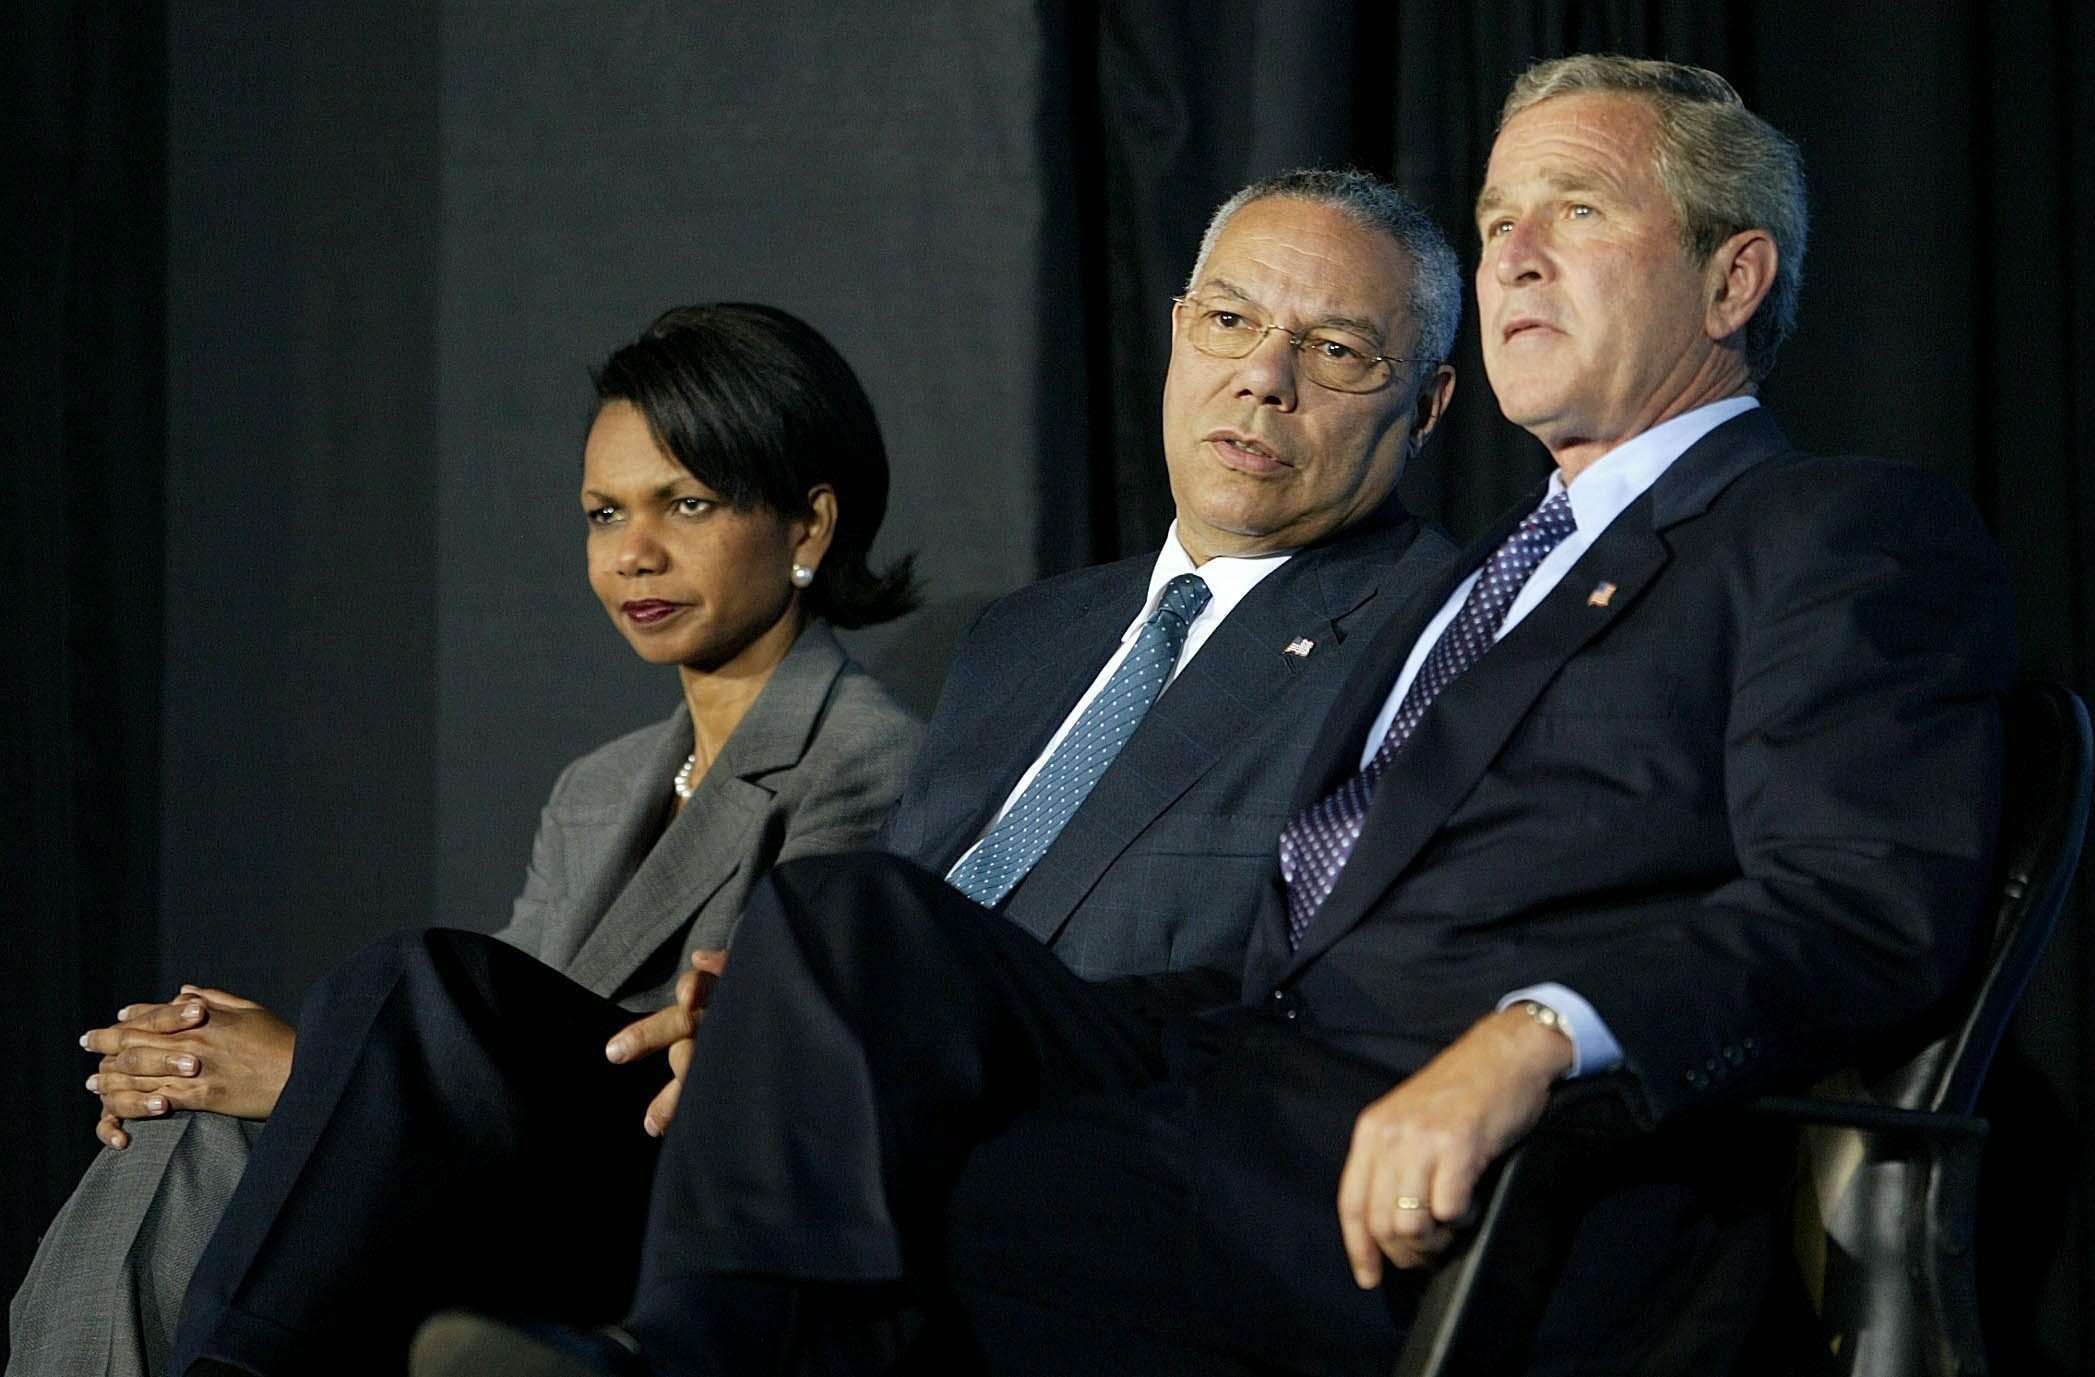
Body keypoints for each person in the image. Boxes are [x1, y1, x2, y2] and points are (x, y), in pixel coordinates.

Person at [402, 53, 2018, 1377]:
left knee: (911, 1199)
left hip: (1477, 1185)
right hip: (1232, 1082)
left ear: (1734, 275)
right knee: (845, 925)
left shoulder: (1836, 531)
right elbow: (1293, 931)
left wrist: (1537, 1034)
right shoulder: (1504, 583)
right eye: (1499, 213)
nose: (1511, 252)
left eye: (1574, 212)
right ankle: (685, 1348)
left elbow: (1864, 901)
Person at [161, 169, 1468, 1376]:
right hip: (803, 1109)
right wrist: (767, 1023)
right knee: (419, 1001)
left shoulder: (1437, 639)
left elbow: (1311, 998)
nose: (1265, 381)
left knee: (839, 923)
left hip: (1060, 1146)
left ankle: (682, 1355)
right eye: (1233, 323)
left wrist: (858, 1010)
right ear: (1179, 332)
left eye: (1338, 351)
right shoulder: (1026, 637)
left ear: (1428, 404)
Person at [5, 302, 925, 1377]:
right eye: (601, 513)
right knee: (182, 1115)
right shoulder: (600, 788)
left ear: (808, 527)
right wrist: (242, 1073)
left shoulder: (871, 761)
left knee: (411, 981)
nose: (633, 554)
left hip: (664, 1218)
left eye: (686, 503)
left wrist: (313, 1075)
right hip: (505, 1192)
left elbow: (727, 1087)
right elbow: (491, 1053)